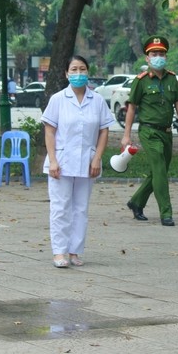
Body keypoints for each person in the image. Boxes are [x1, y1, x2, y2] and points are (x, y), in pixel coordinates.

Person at [42, 55, 114, 268]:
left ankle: (75, 251)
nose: (78, 73)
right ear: (66, 73)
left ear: (88, 72)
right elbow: (49, 131)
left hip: (87, 161)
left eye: (82, 69)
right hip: (61, 162)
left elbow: (103, 131)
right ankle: (59, 252)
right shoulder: (58, 99)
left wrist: (97, 158)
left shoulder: (97, 100)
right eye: (74, 69)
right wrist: (53, 160)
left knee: (81, 208)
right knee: (60, 207)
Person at [123, 36, 178, 226]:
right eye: (154, 54)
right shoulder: (141, 81)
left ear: (166, 56)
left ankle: (136, 202)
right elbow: (132, 108)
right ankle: (166, 213)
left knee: (158, 171)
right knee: (160, 168)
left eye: (161, 53)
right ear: (147, 58)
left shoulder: (171, 78)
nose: (158, 57)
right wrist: (126, 135)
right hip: (149, 132)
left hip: (167, 132)